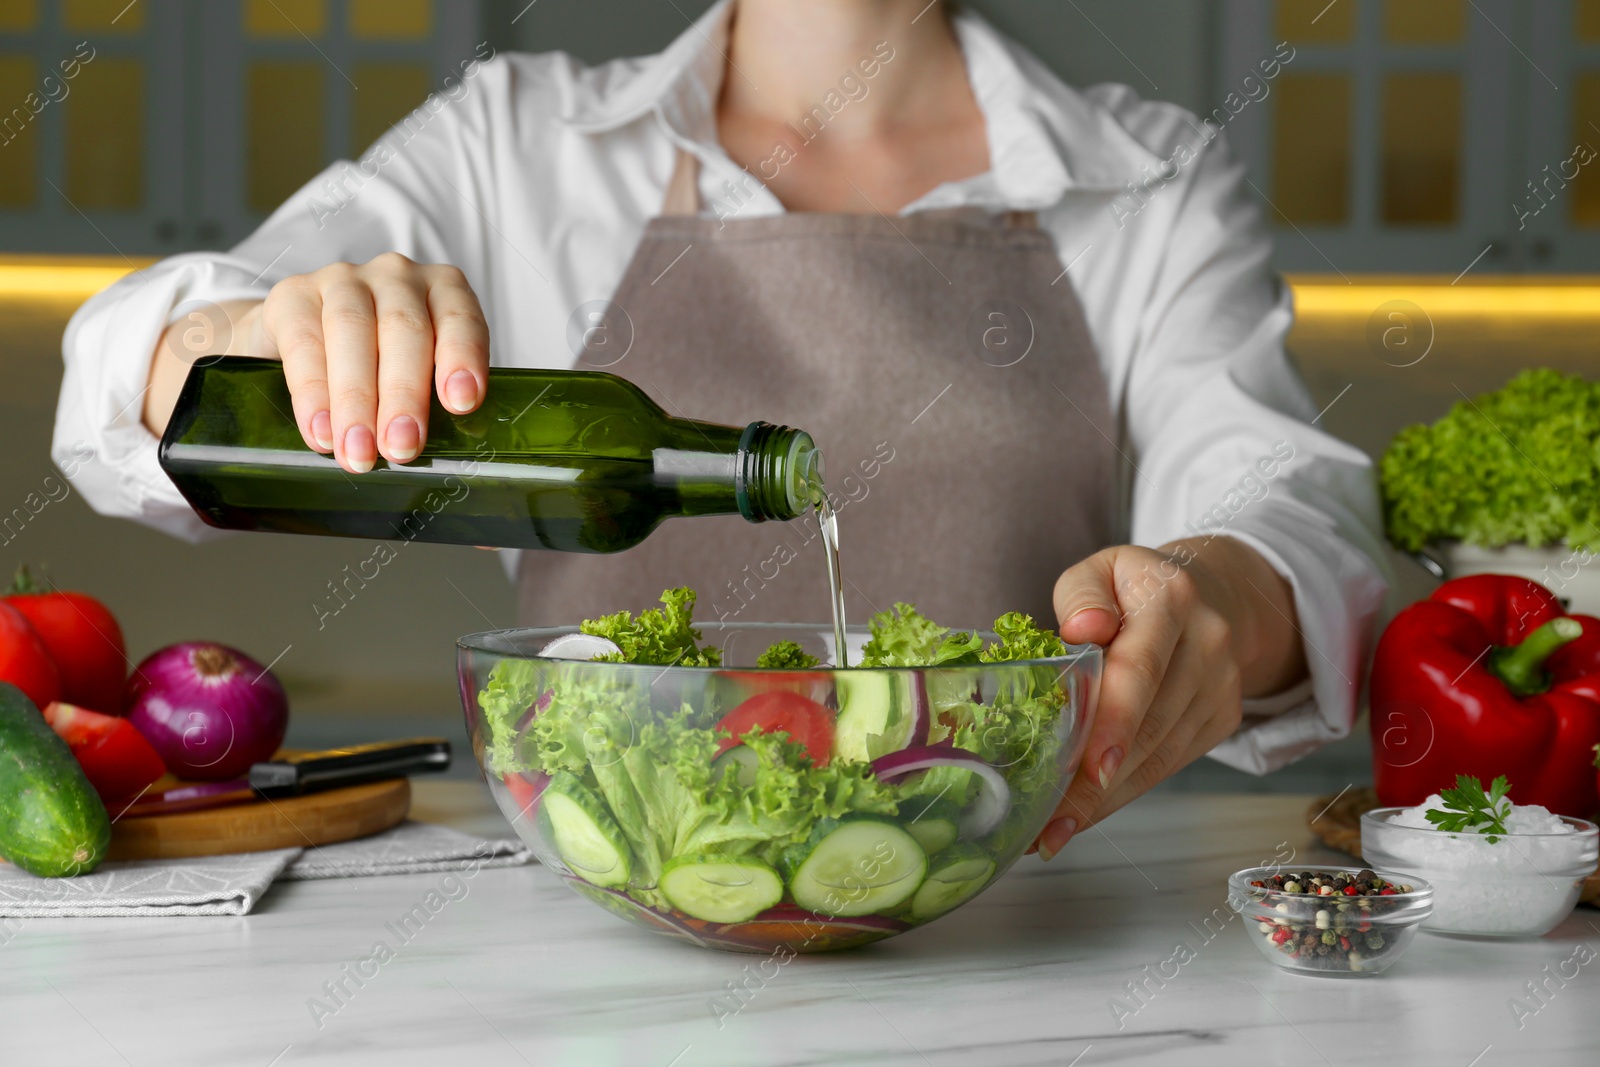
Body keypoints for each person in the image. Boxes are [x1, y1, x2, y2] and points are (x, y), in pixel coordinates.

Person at [54, 0, 1390, 861]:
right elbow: (131, 384)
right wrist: (222, 346)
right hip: (590, 923)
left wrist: (1222, 588)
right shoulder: (514, 142)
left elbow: (1284, 497)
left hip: (1020, 917)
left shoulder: (1149, 181)